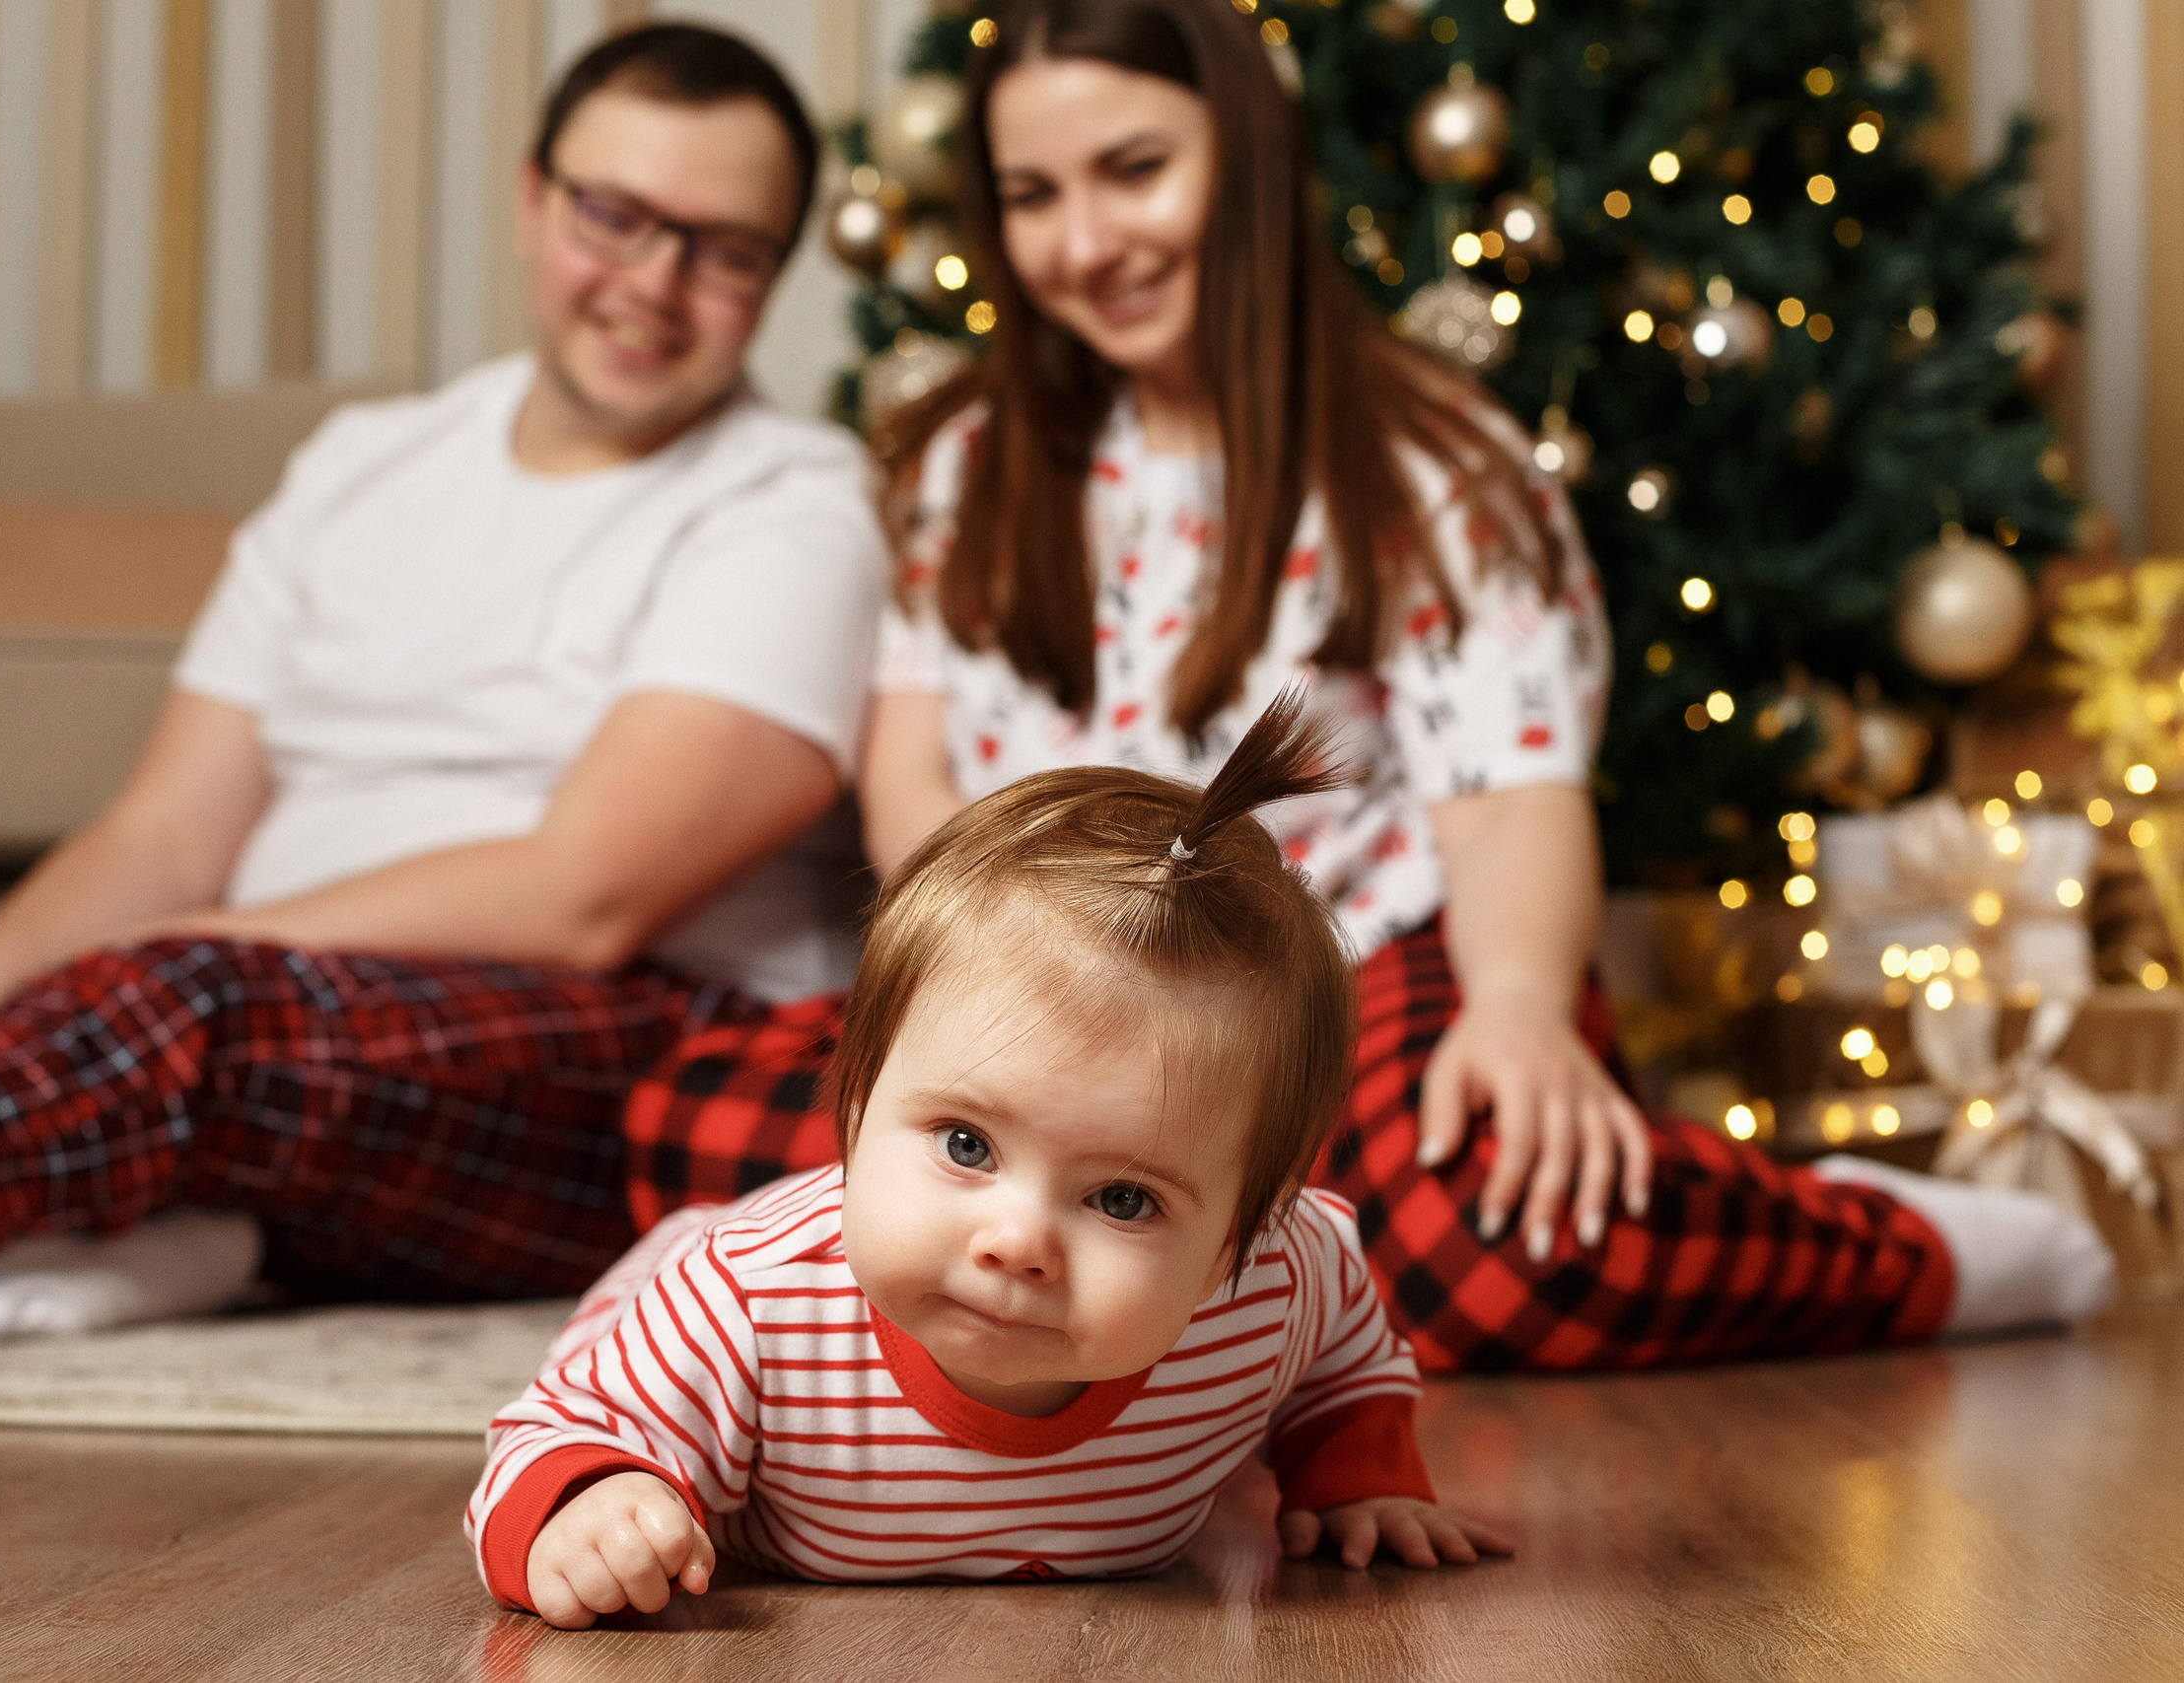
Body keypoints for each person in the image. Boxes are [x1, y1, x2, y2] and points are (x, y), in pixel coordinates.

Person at [622, 0, 2114, 1369]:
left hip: (1371, 963)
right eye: (1031, 195)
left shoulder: (1427, 463)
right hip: (1042, 992)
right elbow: (913, 787)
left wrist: (1520, 1010)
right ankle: (1238, 1258)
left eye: (1134, 170)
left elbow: (1509, 799)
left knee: (1494, 1232)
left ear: (1249, 158)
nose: (1086, 240)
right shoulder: (966, 468)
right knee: (707, 1127)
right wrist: (967, 999)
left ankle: (1894, 1241)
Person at [0, 24, 885, 1339]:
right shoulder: (363, 463)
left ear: (773, 275)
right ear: (533, 200)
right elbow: (164, 830)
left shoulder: (799, 505)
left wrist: (159, 967)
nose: (653, 282)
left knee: (174, 1017)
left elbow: (584, 894)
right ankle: (145, 1209)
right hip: (255, 1012)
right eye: (615, 217)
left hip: (610, 1045)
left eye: (724, 249)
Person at [471, 696, 1514, 1626]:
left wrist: (1359, 1473)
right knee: (620, 1385)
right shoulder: (743, 1306)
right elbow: (546, 1435)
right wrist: (593, 1503)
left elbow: (1345, 1355)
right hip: (679, 1279)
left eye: (1122, 1199)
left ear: (1235, 1237)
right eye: (967, 1145)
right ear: (856, 1102)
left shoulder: (1283, 1278)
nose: (1017, 1242)